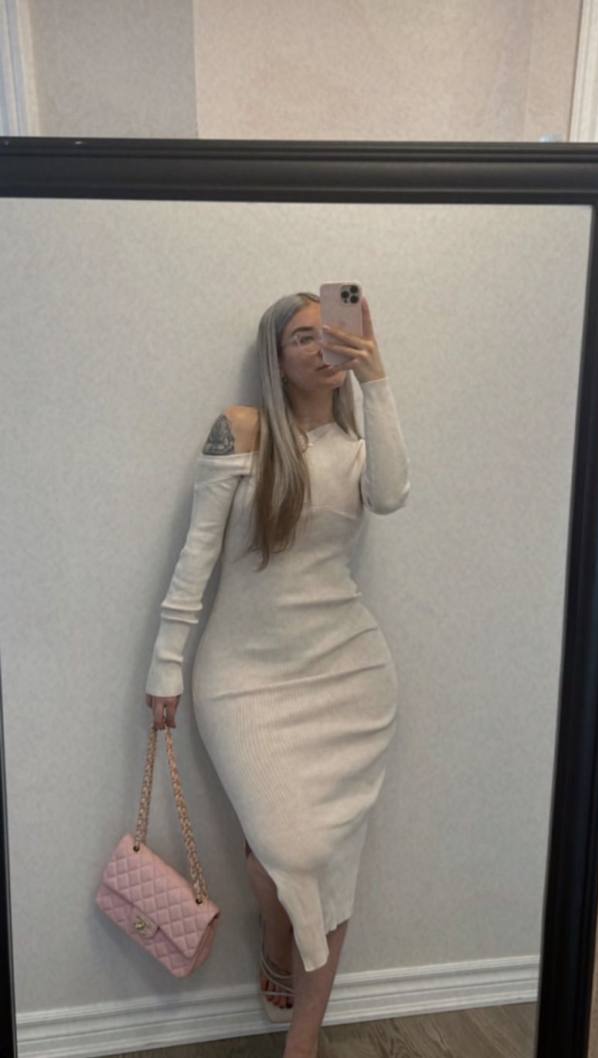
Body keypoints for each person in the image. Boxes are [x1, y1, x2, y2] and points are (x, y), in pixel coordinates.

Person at [144, 290, 410, 1058]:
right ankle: (274, 934)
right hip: (244, 679)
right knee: (284, 855)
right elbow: (196, 557)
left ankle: (303, 1038)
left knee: (328, 862)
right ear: (277, 355)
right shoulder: (241, 431)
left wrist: (377, 376)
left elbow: (392, 495)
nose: (322, 349)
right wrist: (165, 663)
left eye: (334, 334)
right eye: (303, 338)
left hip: (349, 674)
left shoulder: (357, 449)